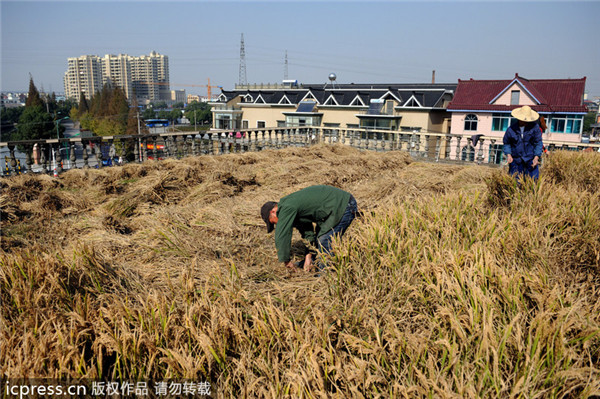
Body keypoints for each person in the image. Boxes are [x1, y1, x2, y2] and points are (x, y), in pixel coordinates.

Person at [261, 185, 357, 273]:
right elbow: (307, 232)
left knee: (324, 240)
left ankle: (325, 276)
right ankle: (314, 264)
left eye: (273, 222)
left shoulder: (286, 208)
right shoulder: (292, 209)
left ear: (273, 211)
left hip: (343, 205)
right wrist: (308, 256)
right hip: (332, 208)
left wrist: (286, 260)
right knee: (319, 239)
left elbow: (282, 234)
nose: (278, 224)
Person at [503, 105, 543, 180]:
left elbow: (538, 143)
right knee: (515, 182)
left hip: (530, 160)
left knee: (532, 182)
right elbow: (507, 143)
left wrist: (536, 157)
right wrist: (509, 155)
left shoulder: (535, 128)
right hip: (516, 160)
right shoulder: (511, 129)